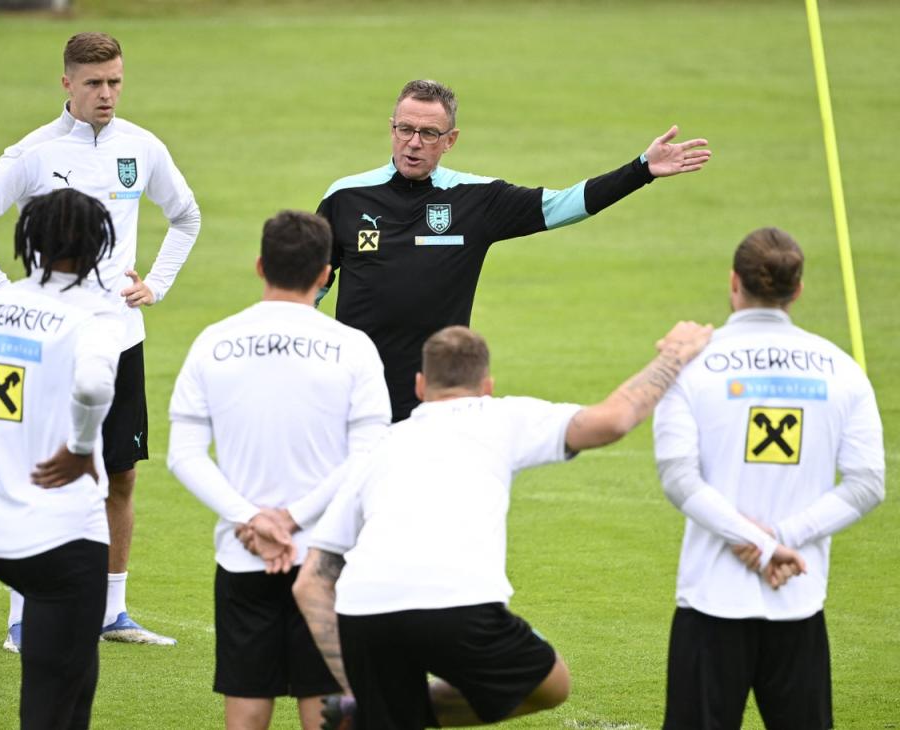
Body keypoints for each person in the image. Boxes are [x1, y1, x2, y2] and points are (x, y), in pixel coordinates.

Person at [286, 321, 713, 730]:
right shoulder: (501, 417)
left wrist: (361, 692)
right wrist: (674, 355)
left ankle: (366, 712)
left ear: (420, 386)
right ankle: (392, 711)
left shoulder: (381, 446)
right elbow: (613, 420)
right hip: (458, 607)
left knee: (383, 716)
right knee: (551, 683)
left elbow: (310, 583)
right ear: (487, 387)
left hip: (366, 612)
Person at [0, 31, 200, 650]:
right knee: (43, 467)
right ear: (66, 84)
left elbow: (186, 214)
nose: (106, 93)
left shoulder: (142, 147)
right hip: (49, 342)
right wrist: (7, 293)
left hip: (119, 336)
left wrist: (156, 284)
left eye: (115, 80)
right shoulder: (33, 153)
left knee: (120, 475)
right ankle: (22, 618)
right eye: (93, 83)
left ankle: (113, 612)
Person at [316, 79, 712, 421]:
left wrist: (640, 170)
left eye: (429, 133)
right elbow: (310, 286)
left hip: (441, 393)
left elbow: (562, 206)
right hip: (356, 388)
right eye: (405, 129)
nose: (414, 142)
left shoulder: (476, 199)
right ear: (391, 128)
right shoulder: (346, 197)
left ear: (450, 140)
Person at [652, 227, 886, 730]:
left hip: (712, 600)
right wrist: (781, 541)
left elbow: (678, 478)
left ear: (733, 282)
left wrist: (757, 542)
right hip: (797, 595)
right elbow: (867, 484)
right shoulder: (842, 369)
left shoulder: (691, 365)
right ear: (797, 290)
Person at [166, 210, 392, 730]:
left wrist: (254, 519)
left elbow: (184, 455)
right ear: (325, 274)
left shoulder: (213, 342)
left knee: (246, 708)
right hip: (327, 556)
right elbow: (369, 452)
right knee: (326, 708)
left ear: (260, 265)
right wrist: (292, 520)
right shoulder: (353, 347)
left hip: (243, 553)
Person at [0, 188, 124, 729]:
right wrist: (81, 448)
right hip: (63, 539)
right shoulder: (94, 314)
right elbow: (92, 385)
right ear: (95, 245)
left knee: (76, 678)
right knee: (54, 698)